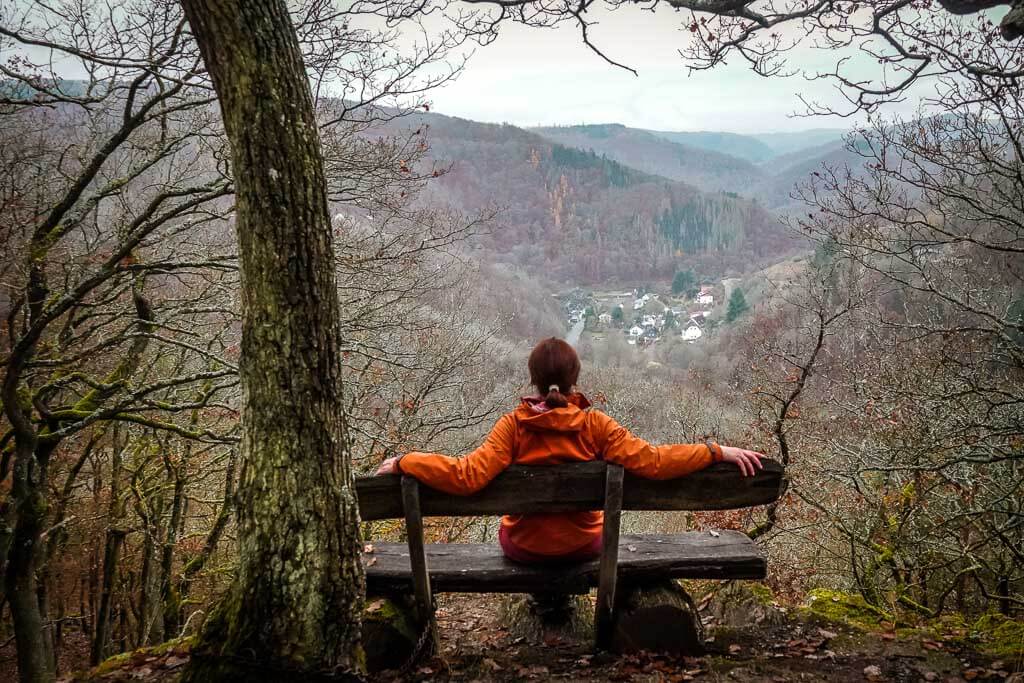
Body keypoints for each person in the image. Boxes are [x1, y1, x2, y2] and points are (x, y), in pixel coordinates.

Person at [376, 337, 764, 563]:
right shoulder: (595, 425)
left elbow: (467, 475)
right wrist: (714, 451)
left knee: (512, 530)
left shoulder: (514, 425)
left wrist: (407, 461)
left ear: (534, 380)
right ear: (575, 379)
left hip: (523, 548)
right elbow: (655, 462)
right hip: (584, 546)